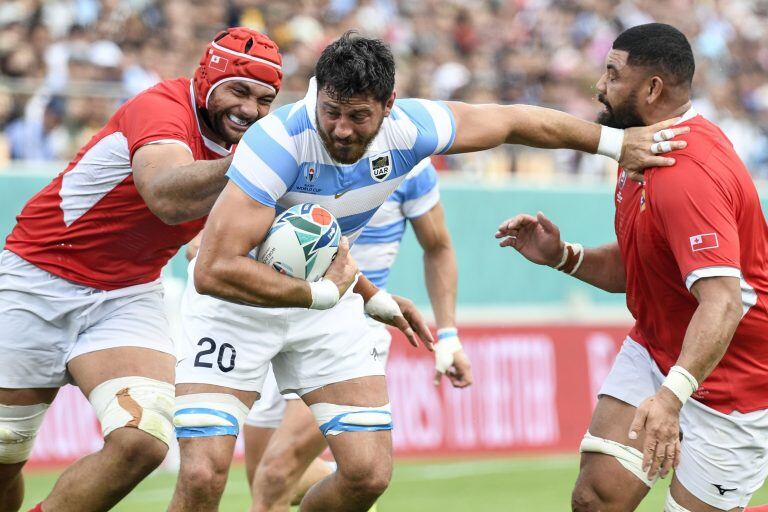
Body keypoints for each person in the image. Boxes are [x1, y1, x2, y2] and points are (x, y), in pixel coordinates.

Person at [171, 31, 686, 512]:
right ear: (315, 95)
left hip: (328, 303)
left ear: (388, 108)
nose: (342, 129)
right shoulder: (277, 143)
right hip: (238, 309)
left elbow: (513, 121)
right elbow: (213, 269)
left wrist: (616, 146)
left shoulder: (411, 131)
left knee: (368, 474)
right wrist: (324, 295)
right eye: (331, 112)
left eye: (358, 116)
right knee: (204, 477)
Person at [0, 27, 282, 512]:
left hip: (127, 293)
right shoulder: (163, 106)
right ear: (208, 80)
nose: (251, 110)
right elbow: (168, 195)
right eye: (239, 91)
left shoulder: (251, 147)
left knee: (144, 439)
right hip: (36, 279)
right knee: (5, 454)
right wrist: (259, 164)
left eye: (265, 99)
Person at [496, 23, 768, 512]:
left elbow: (724, 301)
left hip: (736, 382)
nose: (599, 87)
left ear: (652, 89)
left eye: (612, 74)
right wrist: (563, 256)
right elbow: (643, 266)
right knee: (595, 498)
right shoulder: (637, 151)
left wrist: (670, 399)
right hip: (657, 349)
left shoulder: (691, 173)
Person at [242, 157, 472, 512]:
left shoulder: (409, 164)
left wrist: (449, 335)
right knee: (262, 473)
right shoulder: (295, 149)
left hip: (350, 328)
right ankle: (354, 488)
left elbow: (438, 246)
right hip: (282, 319)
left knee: (275, 474)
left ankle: (355, 483)